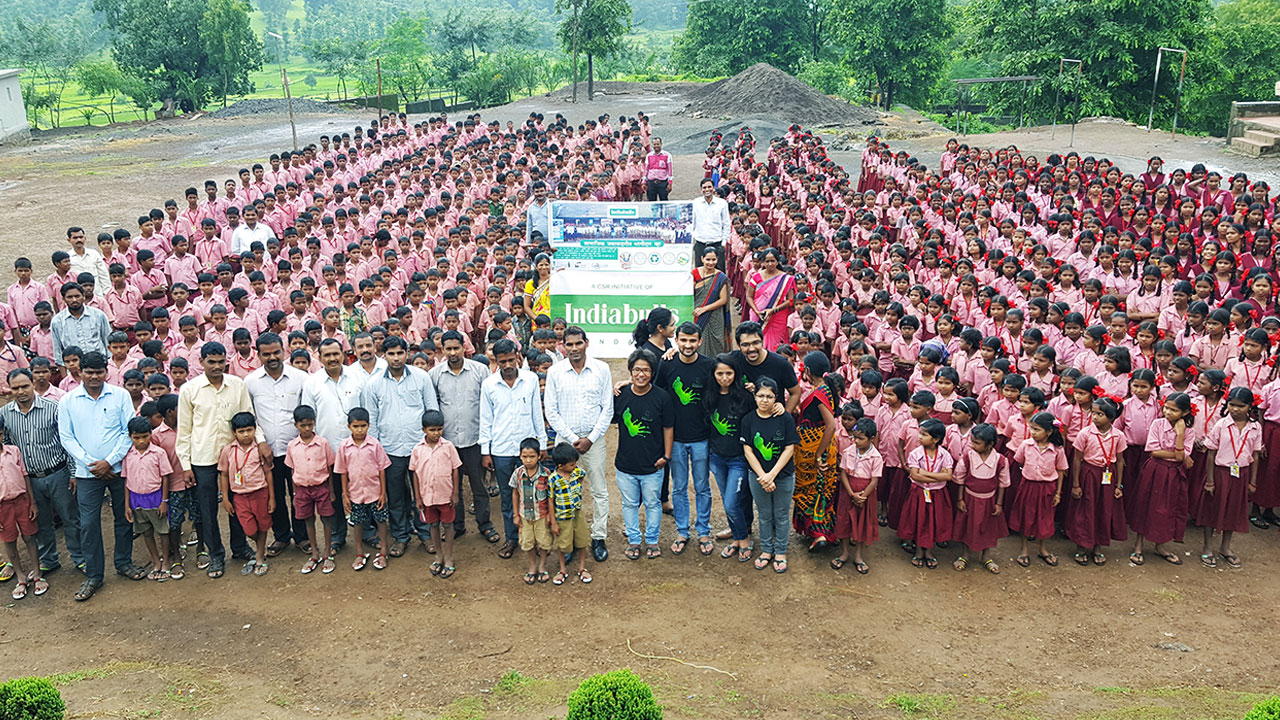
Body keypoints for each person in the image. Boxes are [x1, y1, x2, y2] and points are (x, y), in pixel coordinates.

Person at [177, 342, 267, 579]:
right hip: (203, 457)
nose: (217, 367)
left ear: (226, 361)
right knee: (207, 508)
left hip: (236, 457)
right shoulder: (189, 389)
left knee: (237, 503)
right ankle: (216, 554)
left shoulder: (237, 385)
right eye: (211, 362)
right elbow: (184, 431)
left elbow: (249, 417)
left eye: (220, 362)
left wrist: (261, 441)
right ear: (201, 362)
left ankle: (239, 547)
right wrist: (186, 465)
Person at [57, 351, 140, 601]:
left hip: (117, 470)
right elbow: (66, 438)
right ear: (79, 372)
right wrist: (91, 463)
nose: (94, 376)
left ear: (106, 372)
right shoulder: (68, 401)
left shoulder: (120, 395)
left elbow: (130, 432)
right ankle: (94, 575)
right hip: (87, 473)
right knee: (89, 524)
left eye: (99, 372)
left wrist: (110, 461)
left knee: (123, 519)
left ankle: (124, 563)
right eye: (89, 372)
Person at [367, 336, 441, 556]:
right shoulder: (374, 384)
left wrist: (430, 445)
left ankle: (426, 534)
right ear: (384, 355)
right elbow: (372, 420)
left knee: (424, 494)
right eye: (391, 354)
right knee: (396, 496)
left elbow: (431, 410)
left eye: (400, 353)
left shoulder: (421, 378)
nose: (396, 358)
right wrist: (376, 453)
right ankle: (401, 536)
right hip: (390, 450)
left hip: (419, 447)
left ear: (407, 353)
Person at [1, 369, 81, 575]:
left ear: (33, 384)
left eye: (25, 386)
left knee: (70, 518)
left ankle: (79, 558)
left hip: (58, 473)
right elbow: (8, 448)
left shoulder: (53, 408)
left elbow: (67, 441)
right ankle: (49, 560)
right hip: (31, 479)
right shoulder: (5, 414)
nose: (21, 391)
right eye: (16, 388)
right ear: (10, 389)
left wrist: (73, 473)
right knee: (42, 521)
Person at [544, 326, 613, 562]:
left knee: (599, 490)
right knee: (566, 491)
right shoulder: (555, 372)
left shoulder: (601, 369)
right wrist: (573, 439)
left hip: (594, 440)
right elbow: (551, 411)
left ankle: (598, 537)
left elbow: (607, 408)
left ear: (587, 343)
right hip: (566, 441)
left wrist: (590, 438)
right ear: (563, 345)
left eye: (578, 344)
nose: (574, 349)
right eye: (569, 344)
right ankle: (570, 539)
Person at [478, 337, 546, 559]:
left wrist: (542, 444)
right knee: (508, 497)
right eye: (502, 361)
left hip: (527, 451)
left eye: (510, 360)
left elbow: (537, 413)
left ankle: (534, 538)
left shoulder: (531, 380)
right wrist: (485, 452)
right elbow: (485, 419)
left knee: (534, 495)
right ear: (496, 361)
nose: (507, 366)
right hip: (501, 450)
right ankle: (511, 539)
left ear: (518, 357)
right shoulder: (489, 385)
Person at [244, 332, 308, 558]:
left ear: (284, 351)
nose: (272, 357)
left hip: (297, 450)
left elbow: (307, 413)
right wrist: (260, 443)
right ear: (259, 355)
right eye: (266, 354)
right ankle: (281, 536)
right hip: (267, 451)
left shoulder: (300, 378)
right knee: (275, 496)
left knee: (299, 494)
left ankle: (303, 536)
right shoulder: (250, 382)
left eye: (276, 352)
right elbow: (251, 416)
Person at [299, 338, 366, 553]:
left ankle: (367, 532)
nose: (332, 358)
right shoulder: (312, 383)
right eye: (327, 355)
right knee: (334, 494)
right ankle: (338, 536)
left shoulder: (357, 378)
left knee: (361, 492)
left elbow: (366, 410)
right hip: (328, 452)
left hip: (358, 449)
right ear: (319, 357)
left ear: (343, 354)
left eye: (336, 354)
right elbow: (309, 417)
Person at [426, 331, 493, 545]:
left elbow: (489, 406)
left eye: (457, 348)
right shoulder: (435, 375)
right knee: (453, 487)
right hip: (448, 442)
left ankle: (485, 525)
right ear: (442, 350)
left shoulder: (480, 371)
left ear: (465, 347)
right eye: (449, 349)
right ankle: (458, 526)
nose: (453, 353)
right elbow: (433, 407)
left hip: (474, 439)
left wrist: (487, 443)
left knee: (478, 485)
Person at [656, 322, 716, 555]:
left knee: (702, 487)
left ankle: (703, 531)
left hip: (702, 437)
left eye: (693, 340)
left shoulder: (709, 366)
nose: (688, 345)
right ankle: (682, 531)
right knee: (679, 487)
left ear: (700, 342)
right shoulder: (666, 363)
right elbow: (657, 392)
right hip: (676, 439)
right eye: (683, 340)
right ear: (676, 341)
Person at [613, 349, 674, 561]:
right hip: (626, 465)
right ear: (630, 371)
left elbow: (668, 428)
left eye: (646, 370)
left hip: (653, 465)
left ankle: (653, 540)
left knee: (653, 503)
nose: (641, 374)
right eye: (637, 369)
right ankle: (634, 540)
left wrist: (666, 457)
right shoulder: (621, 396)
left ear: (652, 372)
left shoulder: (662, 397)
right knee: (629, 504)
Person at [1197, 387, 1262, 569]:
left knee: (1233, 511)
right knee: (1212, 509)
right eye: (1232, 405)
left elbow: (1255, 455)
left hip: (1241, 474)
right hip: (1220, 473)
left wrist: (1253, 481)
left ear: (1249, 406)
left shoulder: (1256, 428)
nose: (1235, 410)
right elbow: (1211, 454)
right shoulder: (1221, 425)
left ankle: (1225, 548)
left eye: (1240, 406)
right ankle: (1208, 547)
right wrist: (1210, 481)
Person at [739, 376, 799, 574]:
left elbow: (789, 448)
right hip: (757, 476)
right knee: (764, 514)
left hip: (783, 475)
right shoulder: (748, 419)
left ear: (776, 398)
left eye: (769, 396)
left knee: (781, 515)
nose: (764, 400)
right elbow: (748, 451)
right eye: (760, 395)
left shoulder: (785, 418)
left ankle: (780, 551)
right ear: (754, 396)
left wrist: (772, 475)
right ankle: (766, 550)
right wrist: (763, 476)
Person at [1068, 395, 1128, 566]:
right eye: (1093, 413)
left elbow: (1120, 461)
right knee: (1085, 509)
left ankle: (1098, 546)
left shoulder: (1118, 436)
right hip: (1089, 474)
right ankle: (1081, 546)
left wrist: (1119, 485)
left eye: (1100, 414)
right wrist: (1076, 484)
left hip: (1108, 476)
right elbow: (1077, 459)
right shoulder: (1085, 433)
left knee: (1104, 509)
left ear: (1111, 417)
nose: (1095, 417)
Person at [705, 354, 754, 560]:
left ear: (736, 374)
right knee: (728, 500)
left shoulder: (745, 397)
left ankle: (743, 539)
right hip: (717, 458)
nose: (724, 378)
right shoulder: (709, 396)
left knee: (733, 503)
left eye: (729, 373)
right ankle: (736, 538)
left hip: (739, 459)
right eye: (720, 374)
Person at [792, 352, 841, 551]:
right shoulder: (825, 389)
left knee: (813, 489)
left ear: (809, 371)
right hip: (819, 445)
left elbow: (830, 426)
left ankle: (819, 533)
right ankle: (823, 531)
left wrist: (818, 454)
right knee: (820, 488)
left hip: (815, 449)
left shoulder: (819, 393)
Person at [219, 411, 275, 576]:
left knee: (263, 524)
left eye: (249, 430)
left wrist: (272, 497)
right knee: (249, 529)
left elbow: (268, 473)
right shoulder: (228, 450)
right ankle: (260, 546)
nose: (246, 435)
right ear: (234, 433)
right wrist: (225, 499)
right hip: (240, 496)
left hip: (260, 492)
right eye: (241, 431)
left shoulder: (259, 449)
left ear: (255, 430)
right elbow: (223, 475)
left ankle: (259, 557)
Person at [335, 407, 391, 571]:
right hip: (356, 493)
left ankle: (383, 551)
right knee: (358, 522)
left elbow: (382, 468)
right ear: (349, 427)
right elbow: (343, 472)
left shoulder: (375, 445)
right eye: (355, 426)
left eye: (363, 426)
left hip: (375, 492)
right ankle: (359, 553)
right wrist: (345, 494)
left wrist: (382, 492)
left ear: (369, 425)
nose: (359, 430)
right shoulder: (344, 447)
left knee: (381, 520)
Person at [285, 405, 338, 575]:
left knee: (327, 519)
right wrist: (294, 494)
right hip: (302, 489)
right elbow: (292, 470)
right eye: (303, 425)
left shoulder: (323, 443)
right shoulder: (292, 446)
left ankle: (327, 553)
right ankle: (314, 552)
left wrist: (331, 491)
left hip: (321, 487)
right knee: (308, 520)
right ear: (296, 425)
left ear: (314, 423)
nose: (307, 429)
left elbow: (329, 468)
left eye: (310, 425)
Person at [951, 423, 1010, 574]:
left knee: (987, 528)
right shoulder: (967, 457)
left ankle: (986, 557)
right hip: (970, 499)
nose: (973, 445)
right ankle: (964, 555)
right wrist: (960, 499)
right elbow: (961, 479)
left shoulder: (1000, 460)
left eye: (977, 443)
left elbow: (1003, 483)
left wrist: (999, 503)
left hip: (989, 500)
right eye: (972, 441)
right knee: (966, 526)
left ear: (990, 444)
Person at [409, 409, 460, 579]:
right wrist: (417, 497)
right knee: (433, 525)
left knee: (448, 525)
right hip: (427, 497)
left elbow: (455, 469)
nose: (436, 433)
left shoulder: (448, 447)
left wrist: (455, 493)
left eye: (439, 429)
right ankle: (439, 556)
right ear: (424, 430)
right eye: (432, 430)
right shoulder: (417, 450)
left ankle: (449, 558)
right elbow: (415, 475)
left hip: (445, 495)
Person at [122, 416, 173, 581]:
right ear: (130, 437)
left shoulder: (158, 453)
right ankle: (155, 562)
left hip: (156, 497)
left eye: (145, 436)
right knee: (146, 532)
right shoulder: (128, 455)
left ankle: (166, 562)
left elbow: (165, 477)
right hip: (137, 500)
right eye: (136, 437)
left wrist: (164, 501)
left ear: (150, 434)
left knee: (163, 531)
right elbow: (126, 481)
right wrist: (127, 506)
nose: (141, 441)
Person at [0, 417, 44, 600]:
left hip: (22, 500)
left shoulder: (13, 451)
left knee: (29, 537)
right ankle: (20, 576)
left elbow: (25, 476)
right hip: (2, 507)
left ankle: (37, 573)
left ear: (1, 434)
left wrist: (32, 502)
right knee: (9, 540)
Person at [831, 417, 881, 575]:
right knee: (844, 522)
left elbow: (874, 480)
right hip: (848, 491)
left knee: (862, 524)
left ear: (871, 439)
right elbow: (844, 474)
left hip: (866, 494)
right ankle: (844, 553)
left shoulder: (876, 457)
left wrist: (862, 496)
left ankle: (858, 556)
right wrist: (852, 494)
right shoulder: (848, 452)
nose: (856, 441)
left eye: (860, 438)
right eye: (854, 437)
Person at [728, 322, 801, 413]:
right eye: (745, 345)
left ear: (762, 341)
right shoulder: (732, 360)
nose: (751, 349)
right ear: (738, 346)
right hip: (742, 420)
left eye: (756, 343)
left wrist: (785, 415)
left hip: (771, 420)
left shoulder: (781, 364)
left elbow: (795, 392)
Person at [510, 437, 552, 585]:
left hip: (541, 515)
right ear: (520, 456)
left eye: (532, 456)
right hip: (524, 516)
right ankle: (532, 566)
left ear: (539, 456)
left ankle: (542, 565)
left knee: (544, 542)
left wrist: (549, 517)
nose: (528, 460)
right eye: (525, 457)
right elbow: (515, 493)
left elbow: (549, 497)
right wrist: (515, 515)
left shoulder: (546, 474)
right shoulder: (518, 473)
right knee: (527, 542)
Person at [548, 441, 591, 585]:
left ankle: (582, 568)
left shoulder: (576, 472)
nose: (575, 467)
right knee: (562, 544)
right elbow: (550, 500)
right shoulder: (553, 479)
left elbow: (582, 476)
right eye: (572, 464)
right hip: (562, 517)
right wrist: (553, 522)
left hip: (577, 514)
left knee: (582, 540)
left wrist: (578, 487)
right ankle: (562, 569)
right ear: (561, 466)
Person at [746, 248, 795, 352]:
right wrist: (756, 311)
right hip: (758, 315)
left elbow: (791, 300)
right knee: (757, 344)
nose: (770, 264)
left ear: (777, 261)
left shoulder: (786, 279)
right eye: (767, 261)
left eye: (773, 261)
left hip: (778, 316)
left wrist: (774, 310)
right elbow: (749, 296)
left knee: (776, 346)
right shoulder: (756, 277)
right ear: (762, 262)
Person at [51, 282, 111, 360]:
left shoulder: (98, 315)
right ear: (63, 299)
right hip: (73, 368)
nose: (74, 300)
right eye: (70, 297)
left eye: (77, 296)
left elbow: (107, 341)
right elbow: (58, 351)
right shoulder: (57, 321)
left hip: (98, 365)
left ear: (83, 296)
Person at [692, 247, 730, 357]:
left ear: (717, 260)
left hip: (714, 315)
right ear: (702, 259)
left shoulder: (720, 277)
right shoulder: (694, 274)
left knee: (716, 343)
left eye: (713, 260)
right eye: (708, 259)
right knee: (698, 342)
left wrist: (704, 309)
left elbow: (723, 300)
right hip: (697, 314)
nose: (710, 263)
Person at [691, 178, 730, 271]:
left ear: (713, 189)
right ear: (701, 190)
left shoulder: (722, 203)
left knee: (719, 273)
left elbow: (726, 223)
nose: (707, 189)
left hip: (717, 243)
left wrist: (724, 242)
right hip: (700, 243)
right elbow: (692, 223)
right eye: (704, 187)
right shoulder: (695, 203)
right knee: (700, 272)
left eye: (709, 187)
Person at [644, 136, 673, 201]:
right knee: (651, 202)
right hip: (651, 183)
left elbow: (670, 170)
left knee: (664, 201)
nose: (656, 146)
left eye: (658, 144)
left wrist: (670, 183)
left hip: (663, 183)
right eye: (654, 144)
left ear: (661, 144)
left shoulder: (667, 155)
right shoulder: (649, 155)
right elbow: (646, 170)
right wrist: (644, 182)